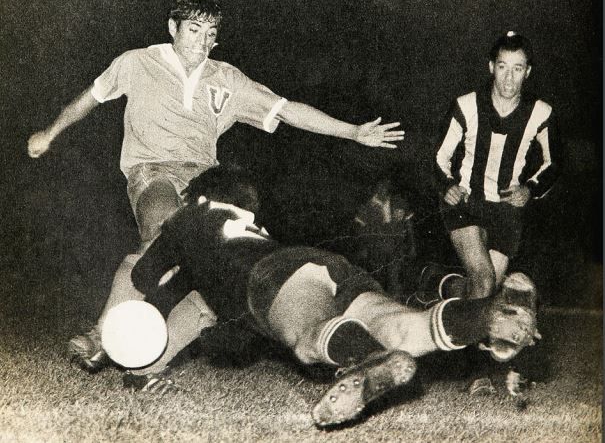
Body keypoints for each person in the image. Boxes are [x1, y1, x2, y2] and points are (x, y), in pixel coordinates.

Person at [26, 0, 405, 370]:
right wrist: (50, 133)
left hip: (204, 181)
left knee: (218, 273)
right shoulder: (135, 63)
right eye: (194, 30)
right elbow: (89, 98)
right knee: (161, 232)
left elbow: (288, 111)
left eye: (210, 34)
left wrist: (353, 132)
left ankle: (148, 367)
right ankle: (101, 336)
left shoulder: (227, 78)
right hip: (152, 169)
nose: (203, 42)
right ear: (173, 27)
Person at [120, 165, 539, 427]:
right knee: (401, 328)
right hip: (322, 263)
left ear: (202, 196)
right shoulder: (251, 230)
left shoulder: (189, 218)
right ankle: (488, 313)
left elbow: (143, 275)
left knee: (308, 338)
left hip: (272, 278)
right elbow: (198, 299)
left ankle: (366, 358)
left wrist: (120, 339)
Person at [428, 32, 560, 302]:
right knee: (484, 281)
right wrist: (448, 185)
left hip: (506, 208)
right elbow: (439, 156)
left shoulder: (541, 113)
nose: (509, 78)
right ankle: (460, 342)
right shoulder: (465, 106)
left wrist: (530, 190)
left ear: (528, 72)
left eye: (517, 68)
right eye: (502, 67)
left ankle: (444, 286)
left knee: (484, 293)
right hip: (466, 201)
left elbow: (554, 163)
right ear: (491, 67)